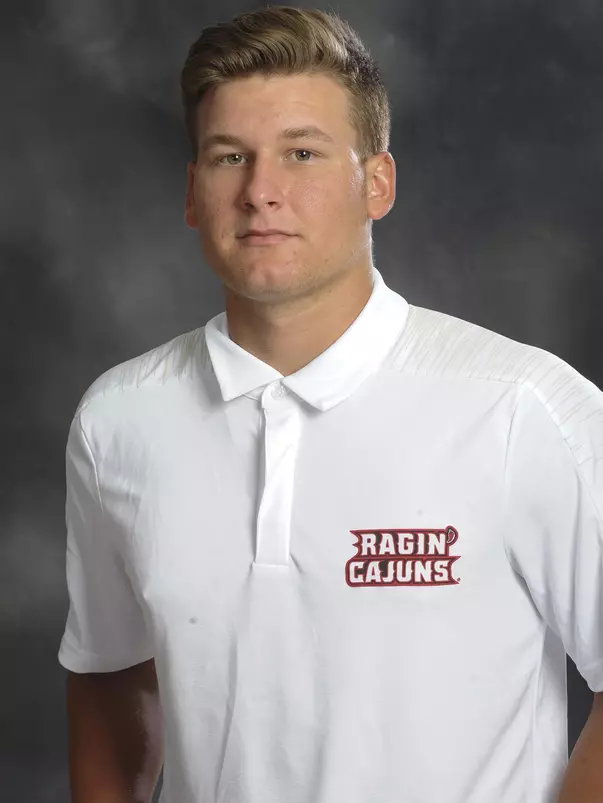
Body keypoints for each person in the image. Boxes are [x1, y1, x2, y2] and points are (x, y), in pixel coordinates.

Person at [58, 6, 603, 803]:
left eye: (302, 153)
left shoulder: (526, 409)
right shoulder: (119, 423)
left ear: (375, 182)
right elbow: (110, 678)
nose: (261, 191)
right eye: (229, 157)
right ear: (192, 192)